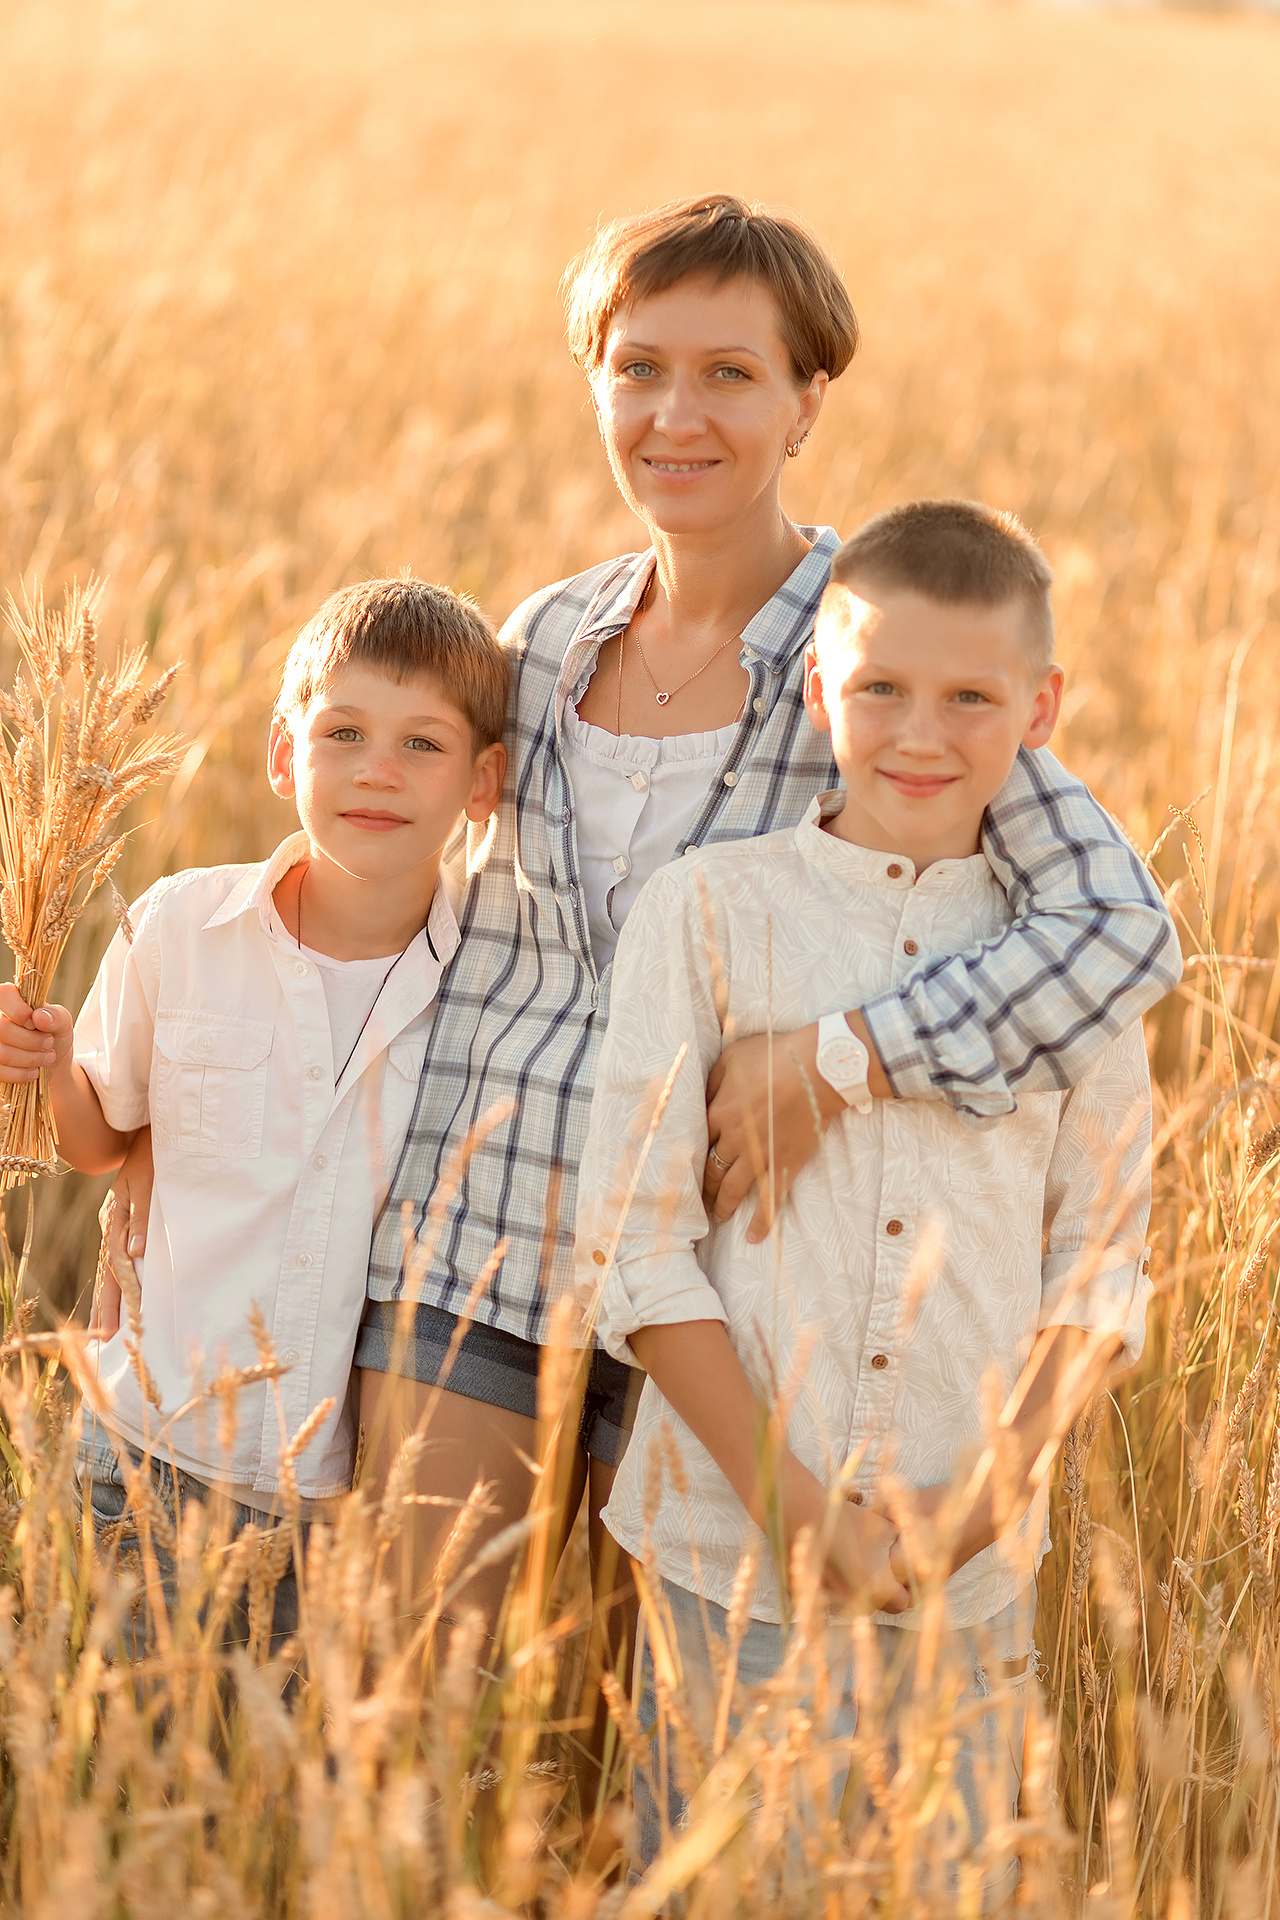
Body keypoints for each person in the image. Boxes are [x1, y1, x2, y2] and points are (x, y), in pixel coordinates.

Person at [102, 196, 1177, 1772]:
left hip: (718, 1281)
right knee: (430, 1729)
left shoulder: (874, 654)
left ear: (807, 403)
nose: (680, 415)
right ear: (596, 386)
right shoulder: (544, 640)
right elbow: (383, 881)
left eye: (732, 374)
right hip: (474, 1234)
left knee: (628, 1747)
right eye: (640, 369)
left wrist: (841, 1056)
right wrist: (176, 1113)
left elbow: (1117, 931)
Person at [575, 500, 1153, 1889]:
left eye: (970, 699)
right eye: (880, 687)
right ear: (818, 688)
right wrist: (793, 1511)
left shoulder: (1063, 965)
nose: (919, 734)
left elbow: (1100, 1259)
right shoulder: (709, 912)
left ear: (1041, 710)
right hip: (725, 1559)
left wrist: (983, 1500)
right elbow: (634, 1251)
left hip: (967, 1573)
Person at [0, 578, 507, 1648]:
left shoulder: (491, 982)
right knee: (122, 1736)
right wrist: (42, 1065)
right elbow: (100, 1142)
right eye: (343, 732)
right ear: (284, 753)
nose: (377, 769)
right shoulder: (182, 928)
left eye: (422, 744)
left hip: (329, 1501)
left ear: (482, 782)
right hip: (142, 1451)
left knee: (275, 1749)